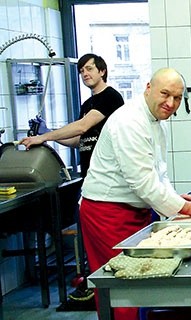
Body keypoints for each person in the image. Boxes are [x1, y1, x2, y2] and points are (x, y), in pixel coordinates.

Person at [79, 67, 191, 320]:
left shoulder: (156, 122)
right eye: (165, 94)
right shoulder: (130, 121)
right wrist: (184, 210)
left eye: (177, 98)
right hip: (107, 212)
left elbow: (158, 176)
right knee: (126, 287)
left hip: (134, 209)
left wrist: (180, 199)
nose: (171, 103)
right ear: (148, 88)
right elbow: (143, 183)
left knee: (143, 285)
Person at [20, 53, 124, 302]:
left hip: (109, 179)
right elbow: (78, 139)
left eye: (89, 69)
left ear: (102, 71)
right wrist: (47, 134)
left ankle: (102, 285)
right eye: (81, 71)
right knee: (91, 236)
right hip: (90, 177)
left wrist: (43, 137)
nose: (85, 74)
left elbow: (80, 127)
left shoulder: (110, 98)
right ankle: (94, 283)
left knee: (106, 238)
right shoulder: (88, 104)